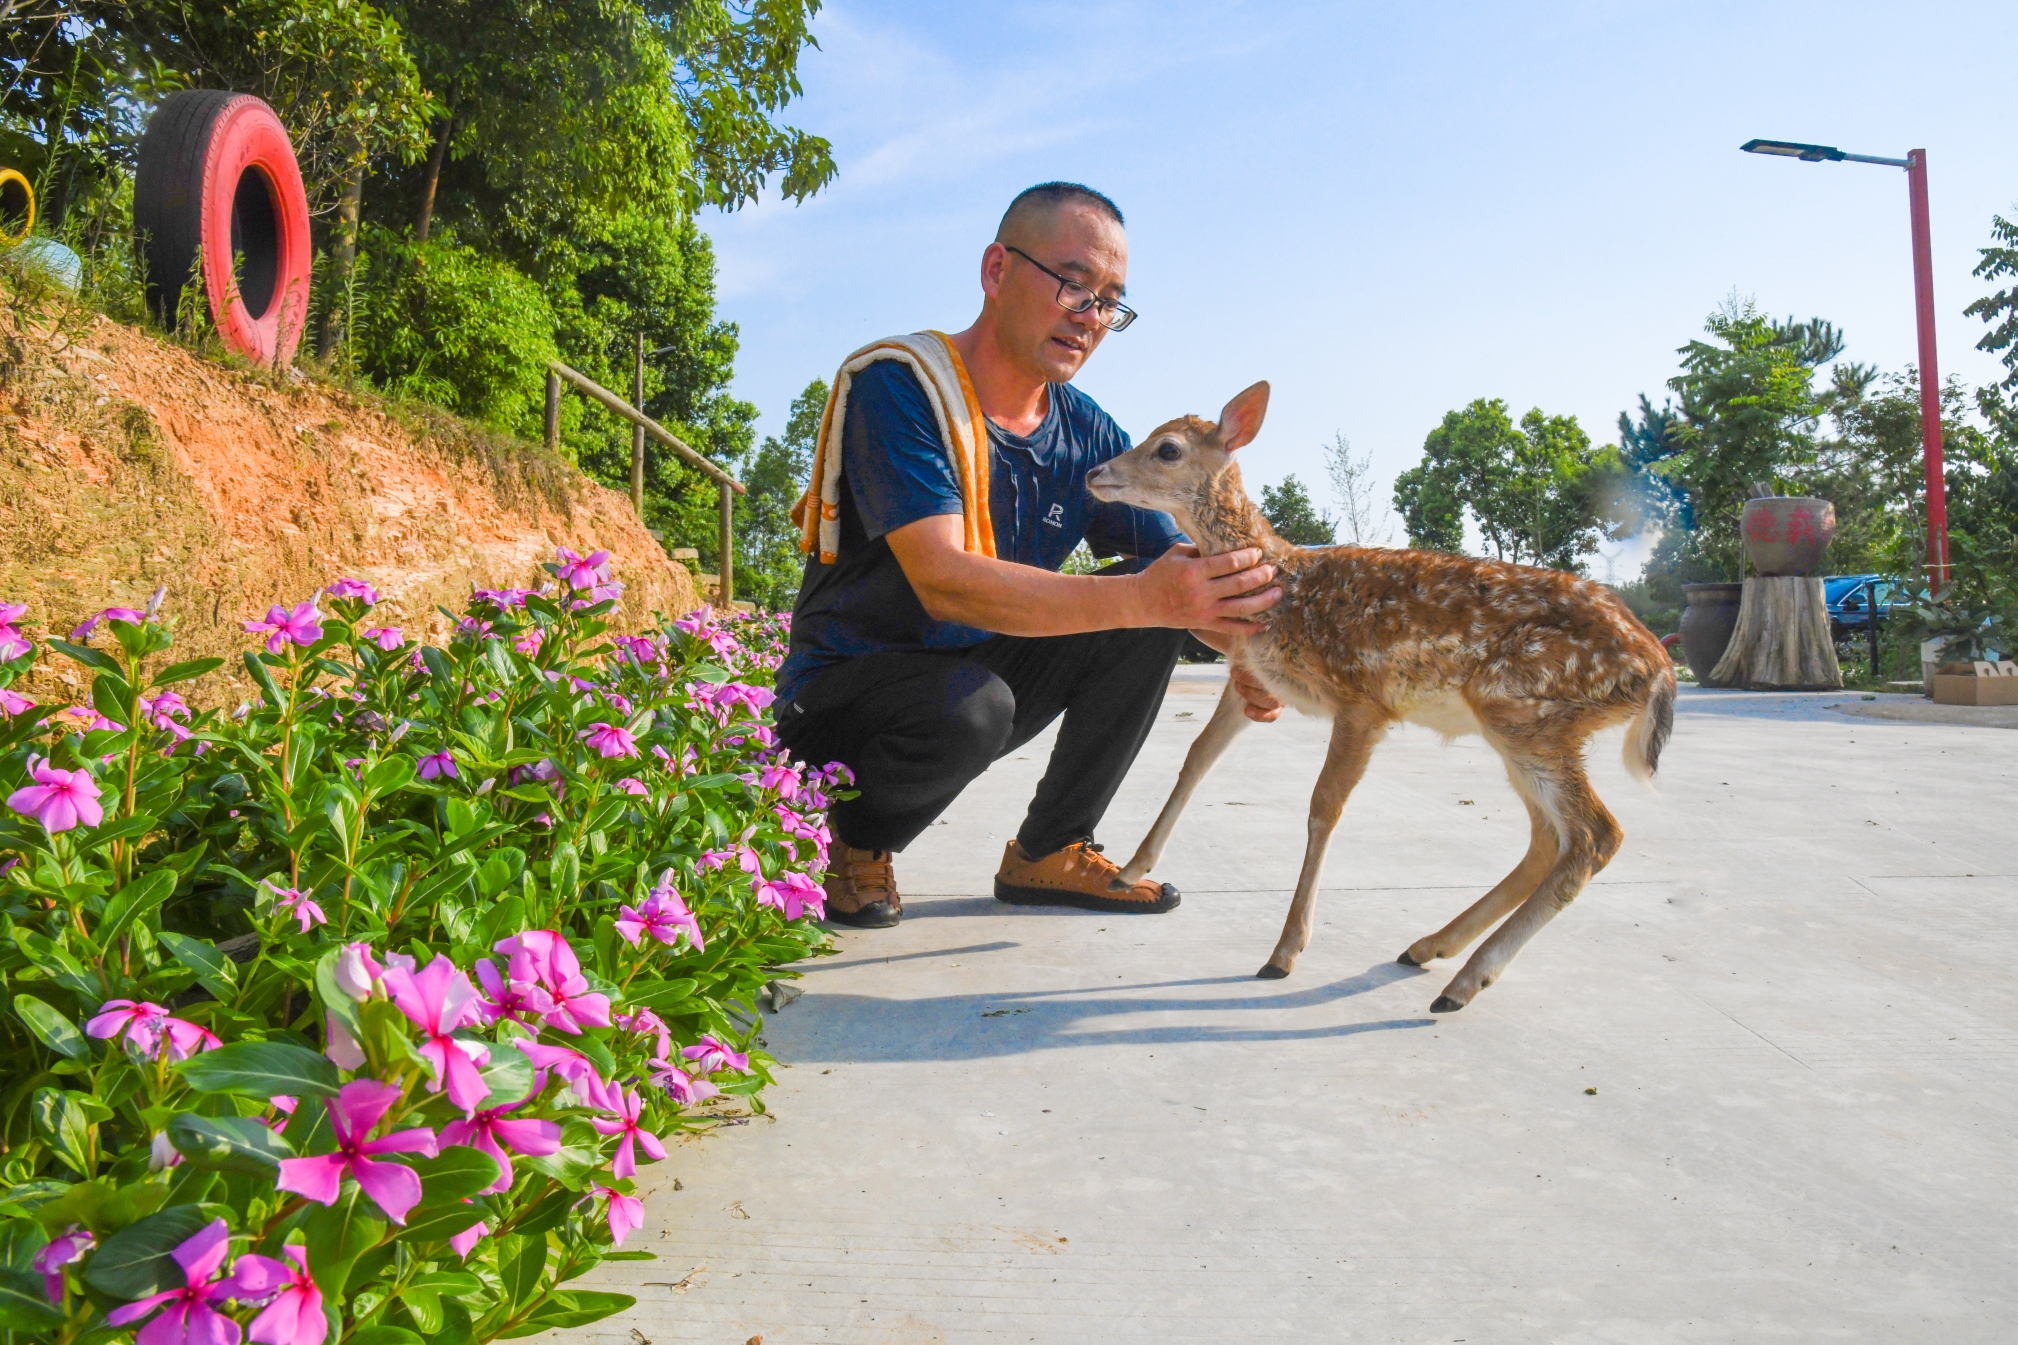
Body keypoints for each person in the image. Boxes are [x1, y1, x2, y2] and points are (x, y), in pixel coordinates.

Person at [775, 181, 1285, 928]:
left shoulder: (1081, 429)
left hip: (978, 679)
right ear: (996, 271)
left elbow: (1182, 583)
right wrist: (1152, 598)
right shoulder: (902, 387)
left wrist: (1247, 650)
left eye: (1110, 301)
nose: (1091, 317)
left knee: (1148, 597)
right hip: (845, 704)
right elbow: (945, 582)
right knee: (977, 704)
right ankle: (849, 839)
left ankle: (1050, 848)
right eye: (1074, 285)